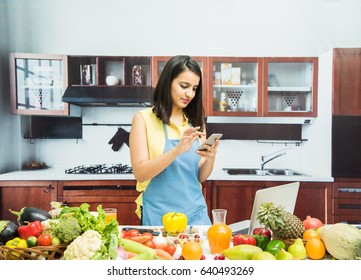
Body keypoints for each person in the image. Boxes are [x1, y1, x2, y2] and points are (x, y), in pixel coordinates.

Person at [129, 55, 220, 226]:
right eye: (184, 86)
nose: (190, 94)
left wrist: (210, 157)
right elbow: (140, 174)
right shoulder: (143, 119)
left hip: (196, 215)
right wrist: (176, 150)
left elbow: (199, 177)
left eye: (194, 88)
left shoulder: (196, 120)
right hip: (159, 217)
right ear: (167, 82)